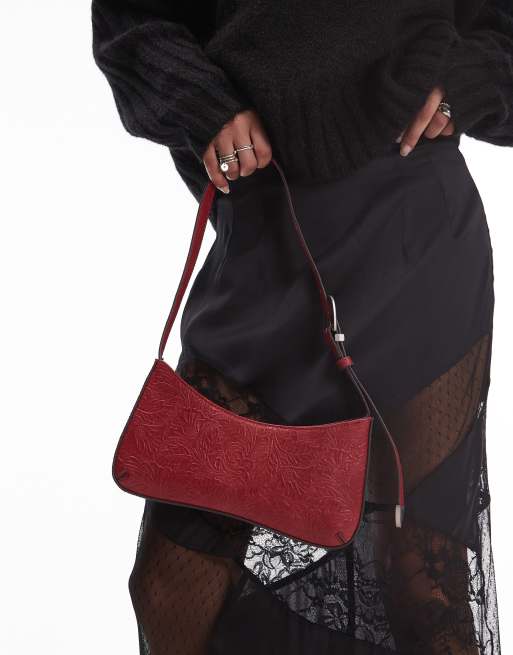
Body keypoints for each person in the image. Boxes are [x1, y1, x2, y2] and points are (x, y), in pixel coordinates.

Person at [91, 2, 513, 653]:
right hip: (265, 236)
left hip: (415, 235)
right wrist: (204, 104)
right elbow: (132, 18)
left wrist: (473, 79)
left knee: (423, 587)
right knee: (168, 587)